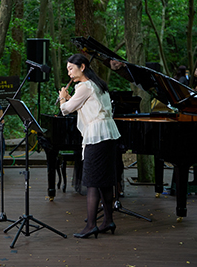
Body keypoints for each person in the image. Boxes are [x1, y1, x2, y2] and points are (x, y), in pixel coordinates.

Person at [58, 54, 121, 238]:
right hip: (108, 134)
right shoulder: (97, 84)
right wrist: (71, 98)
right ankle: (108, 221)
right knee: (105, 181)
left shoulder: (84, 86)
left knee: (93, 182)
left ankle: (91, 225)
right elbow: (90, 107)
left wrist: (63, 98)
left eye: (71, 68)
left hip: (97, 136)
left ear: (82, 67)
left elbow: (65, 110)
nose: (69, 72)